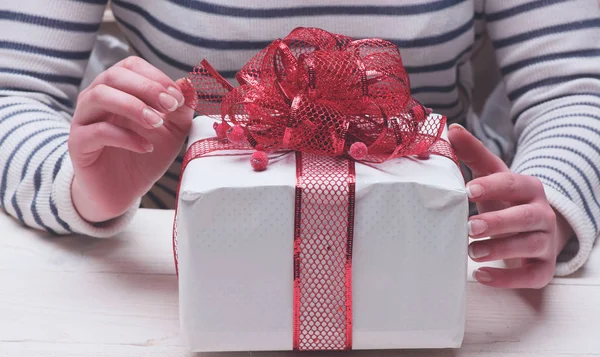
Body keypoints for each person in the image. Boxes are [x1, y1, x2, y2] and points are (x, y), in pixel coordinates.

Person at [1, 0, 599, 289]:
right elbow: (12, 90)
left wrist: (549, 204)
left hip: (452, 260)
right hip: (166, 261)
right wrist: (81, 188)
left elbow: (576, 87)